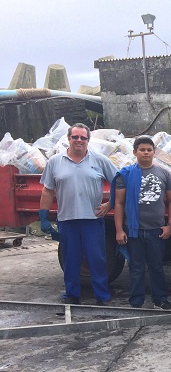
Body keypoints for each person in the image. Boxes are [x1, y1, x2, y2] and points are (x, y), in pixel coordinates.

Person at [40, 123, 117, 305]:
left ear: (88, 140)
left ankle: (102, 296)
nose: (79, 140)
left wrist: (110, 204)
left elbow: (119, 183)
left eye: (83, 137)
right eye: (75, 137)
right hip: (67, 220)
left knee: (96, 259)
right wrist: (43, 216)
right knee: (71, 260)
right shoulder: (55, 162)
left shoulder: (99, 160)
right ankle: (72, 295)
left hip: (92, 220)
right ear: (69, 139)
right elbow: (47, 190)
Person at [112, 136, 171, 310]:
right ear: (135, 152)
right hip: (133, 229)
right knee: (136, 267)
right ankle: (136, 302)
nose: (146, 152)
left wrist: (170, 225)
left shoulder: (164, 173)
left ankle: (160, 300)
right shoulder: (126, 174)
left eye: (149, 149)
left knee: (157, 266)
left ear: (154, 152)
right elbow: (118, 203)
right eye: (142, 149)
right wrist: (119, 230)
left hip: (156, 230)